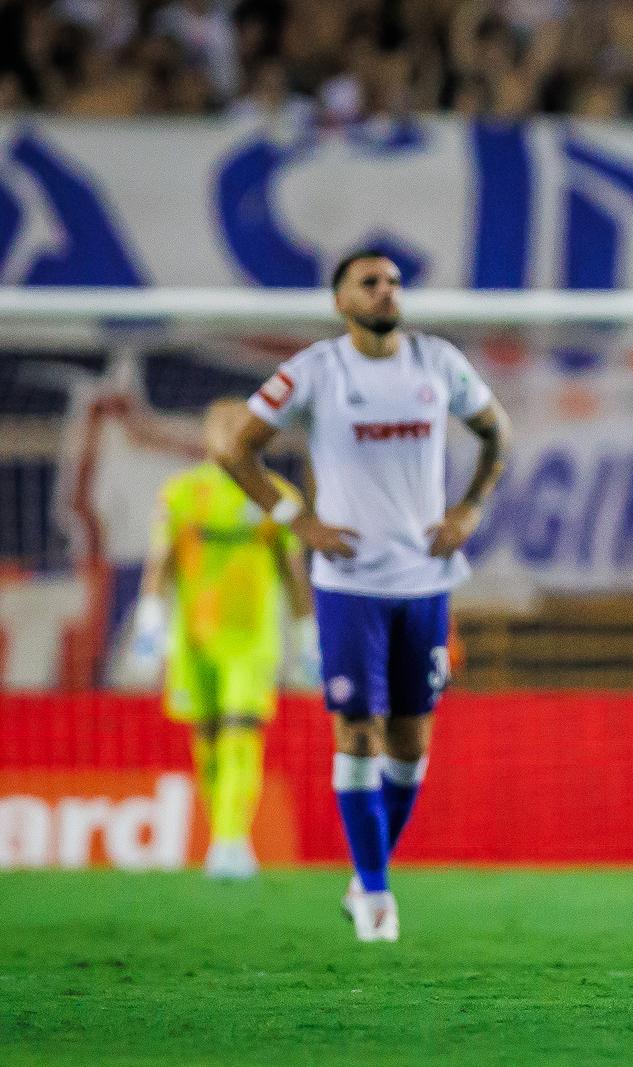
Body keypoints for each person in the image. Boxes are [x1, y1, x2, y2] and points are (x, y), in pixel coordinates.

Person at [214, 250, 510, 942]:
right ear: (340, 300)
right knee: (355, 730)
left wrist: (469, 509)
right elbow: (236, 449)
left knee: (409, 743)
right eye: (369, 282)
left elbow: (498, 433)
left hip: (425, 580)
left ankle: (364, 874)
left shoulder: (439, 363)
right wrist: (297, 521)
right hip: (347, 583)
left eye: (394, 281)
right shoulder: (315, 370)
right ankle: (376, 893)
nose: (386, 291)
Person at [125, 398, 319, 880]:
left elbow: (293, 571)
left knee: (240, 729)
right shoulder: (182, 493)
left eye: (242, 426)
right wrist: (150, 619)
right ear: (206, 435)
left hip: (252, 639)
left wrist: (305, 633)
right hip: (194, 637)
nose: (233, 434)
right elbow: (161, 560)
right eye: (223, 426)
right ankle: (223, 834)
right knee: (208, 736)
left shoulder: (275, 494)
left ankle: (232, 839)